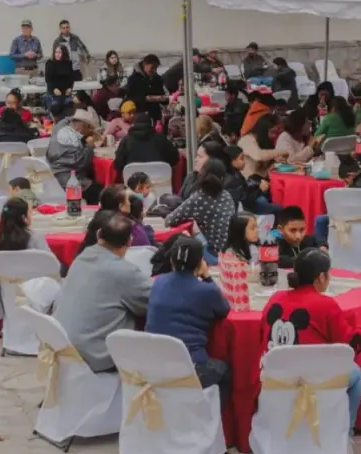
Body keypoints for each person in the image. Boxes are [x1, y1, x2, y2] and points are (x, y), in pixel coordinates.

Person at [260, 248, 361, 435]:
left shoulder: (276, 299)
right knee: (356, 374)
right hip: (312, 379)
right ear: (321, 277)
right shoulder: (325, 304)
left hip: (276, 379)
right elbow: (351, 347)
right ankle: (343, 436)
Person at [54, 213, 151, 372]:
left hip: (63, 346)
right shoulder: (124, 272)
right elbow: (153, 302)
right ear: (130, 241)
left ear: (99, 235)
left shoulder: (82, 257)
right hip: (96, 354)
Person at [145, 235, 231, 396]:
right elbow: (224, 309)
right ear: (200, 263)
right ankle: (213, 418)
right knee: (225, 371)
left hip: (154, 364)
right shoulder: (207, 290)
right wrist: (207, 277)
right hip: (191, 366)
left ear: (171, 260)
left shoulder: (158, 282)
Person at [166, 159, 236, 259]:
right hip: (231, 252)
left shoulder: (199, 197)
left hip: (213, 253)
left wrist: (190, 220)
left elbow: (169, 220)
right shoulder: (227, 196)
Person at [46, 109, 100, 204]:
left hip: (54, 173)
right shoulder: (71, 137)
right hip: (67, 177)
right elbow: (81, 163)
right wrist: (89, 146)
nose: (88, 130)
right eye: (88, 127)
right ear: (82, 125)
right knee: (99, 191)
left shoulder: (61, 126)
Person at [113, 112, 179, 173]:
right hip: (160, 181)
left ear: (133, 125)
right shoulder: (161, 138)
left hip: (135, 183)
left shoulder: (126, 140)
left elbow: (118, 165)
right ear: (151, 124)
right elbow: (174, 159)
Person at [238, 114, 287, 178]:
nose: (274, 136)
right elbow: (258, 156)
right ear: (263, 130)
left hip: (263, 180)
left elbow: (265, 169)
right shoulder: (246, 140)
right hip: (249, 182)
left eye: (277, 133)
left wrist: (277, 162)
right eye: (272, 132)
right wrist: (280, 152)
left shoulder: (265, 142)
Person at [126, 54, 167, 122]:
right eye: (152, 67)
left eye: (156, 68)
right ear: (144, 64)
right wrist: (145, 99)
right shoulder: (133, 79)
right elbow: (129, 98)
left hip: (155, 115)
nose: (154, 70)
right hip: (139, 115)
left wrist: (165, 99)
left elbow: (162, 95)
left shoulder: (158, 79)